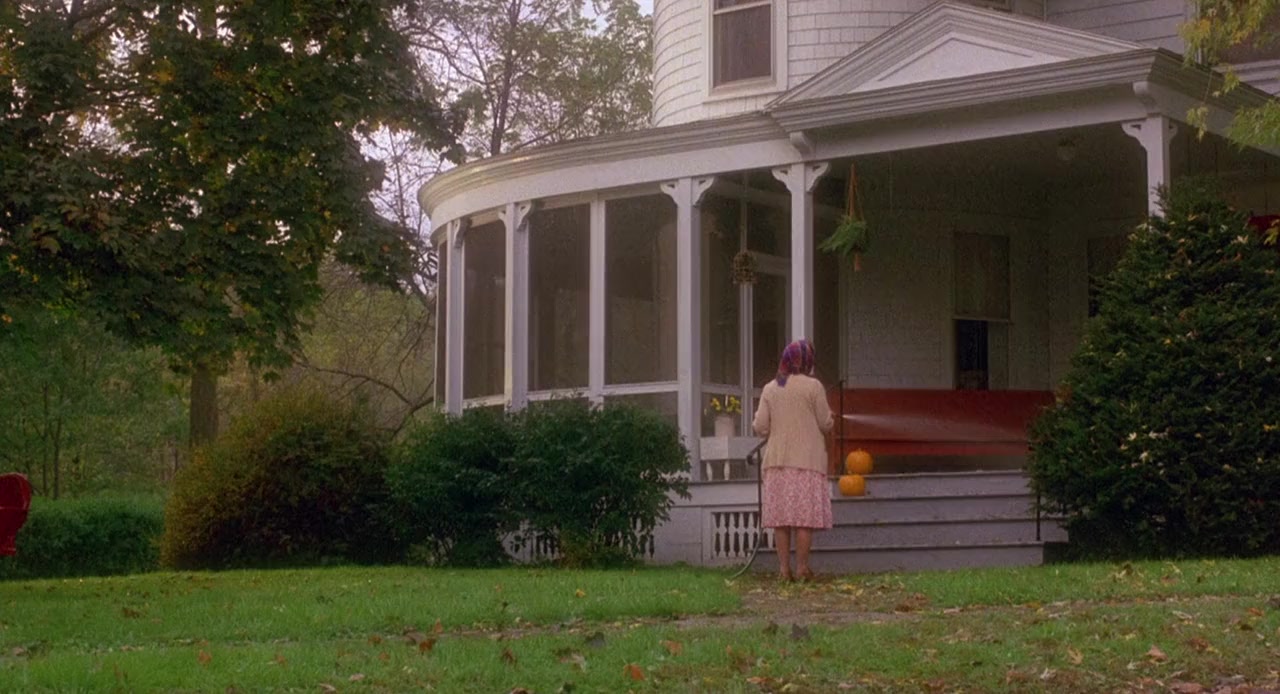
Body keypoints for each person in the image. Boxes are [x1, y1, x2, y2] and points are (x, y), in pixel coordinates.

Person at [752, 339, 834, 581]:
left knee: (782, 520)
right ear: (808, 361)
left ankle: (783, 570)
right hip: (807, 462)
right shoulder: (814, 386)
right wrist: (831, 418)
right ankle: (802, 569)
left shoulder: (772, 387)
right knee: (803, 520)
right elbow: (825, 423)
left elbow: (760, 427)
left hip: (777, 462)